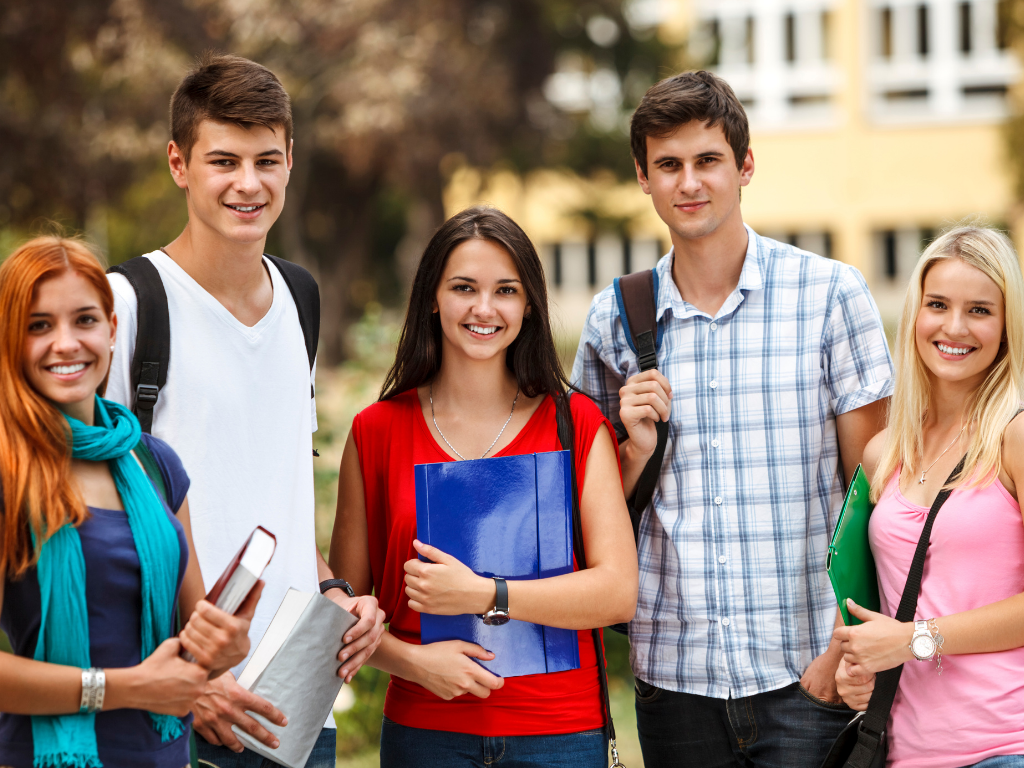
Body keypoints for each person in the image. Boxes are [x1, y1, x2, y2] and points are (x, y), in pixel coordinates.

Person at [571, 70, 895, 767]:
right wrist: (631, 449)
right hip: (672, 682)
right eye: (668, 165)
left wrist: (853, 650)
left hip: (807, 676)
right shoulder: (613, 320)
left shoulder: (830, 296)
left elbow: (874, 498)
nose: (689, 182)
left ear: (744, 166)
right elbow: (589, 515)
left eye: (707, 160)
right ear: (643, 177)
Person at [104, 54, 385, 766]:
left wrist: (333, 590)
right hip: (182, 703)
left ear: (291, 160)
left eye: (267, 159)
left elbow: (275, 485)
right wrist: (187, 681)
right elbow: (98, 513)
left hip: (297, 698)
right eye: (223, 161)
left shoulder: (301, 298)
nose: (248, 184)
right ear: (178, 163)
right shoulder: (127, 305)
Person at [328, 206, 638, 768]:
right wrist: (415, 664)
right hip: (426, 732)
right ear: (432, 297)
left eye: (506, 290)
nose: (484, 308)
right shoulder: (376, 431)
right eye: (464, 288)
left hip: (561, 733)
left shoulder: (575, 422)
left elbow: (617, 592)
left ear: (528, 306)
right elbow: (346, 606)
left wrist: (485, 594)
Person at [0, 236, 256, 768]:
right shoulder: (8, 470)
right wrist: (124, 688)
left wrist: (224, 647)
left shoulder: (154, 464)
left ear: (113, 330)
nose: (66, 343)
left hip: (163, 754)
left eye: (85, 320)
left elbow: (190, 636)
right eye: (39, 325)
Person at [834, 226, 1024, 768]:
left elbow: (911, 633)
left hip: (1005, 747)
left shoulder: (1014, 437)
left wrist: (914, 641)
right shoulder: (884, 454)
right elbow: (890, 609)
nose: (955, 327)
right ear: (915, 313)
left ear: (1008, 325)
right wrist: (860, 666)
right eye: (937, 304)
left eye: (981, 310)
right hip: (902, 753)